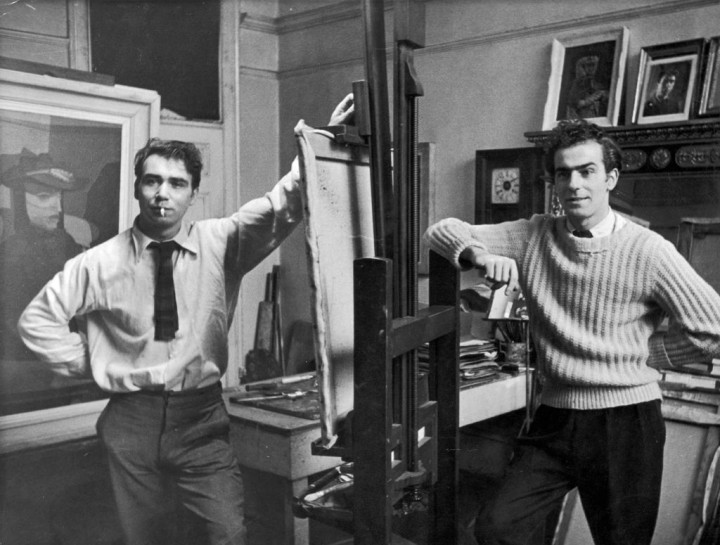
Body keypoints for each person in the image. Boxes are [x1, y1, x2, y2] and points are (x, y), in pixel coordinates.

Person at [17, 95, 355, 545]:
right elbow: (37, 321)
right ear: (136, 188)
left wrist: (322, 139)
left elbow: (281, 206)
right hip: (131, 420)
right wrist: (93, 362)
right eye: (152, 181)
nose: (163, 193)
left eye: (177, 183)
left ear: (192, 193)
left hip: (201, 421)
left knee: (226, 533)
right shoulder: (98, 262)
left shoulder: (222, 242)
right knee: (146, 538)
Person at [424, 118, 720, 545]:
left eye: (587, 171)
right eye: (563, 173)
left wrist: (648, 354)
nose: (574, 184)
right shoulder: (534, 235)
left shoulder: (649, 250)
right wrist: (478, 255)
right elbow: (439, 231)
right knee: (497, 528)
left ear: (610, 179)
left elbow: (711, 328)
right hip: (556, 416)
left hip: (626, 422)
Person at [0, 151, 88, 410]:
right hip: (28, 367)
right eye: (43, 197)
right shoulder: (12, 251)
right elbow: (14, 321)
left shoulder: (66, 242)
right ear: (21, 201)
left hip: (66, 360)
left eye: (59, 197)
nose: (57, 208)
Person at [565, 54, 609, 119]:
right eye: (588, 65)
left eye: (593, 65)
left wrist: (604, 95)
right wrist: (588, 100)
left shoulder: (603, 81)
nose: (590, 69)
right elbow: (573, 103)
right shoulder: (578, 83)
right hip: (584, 116)